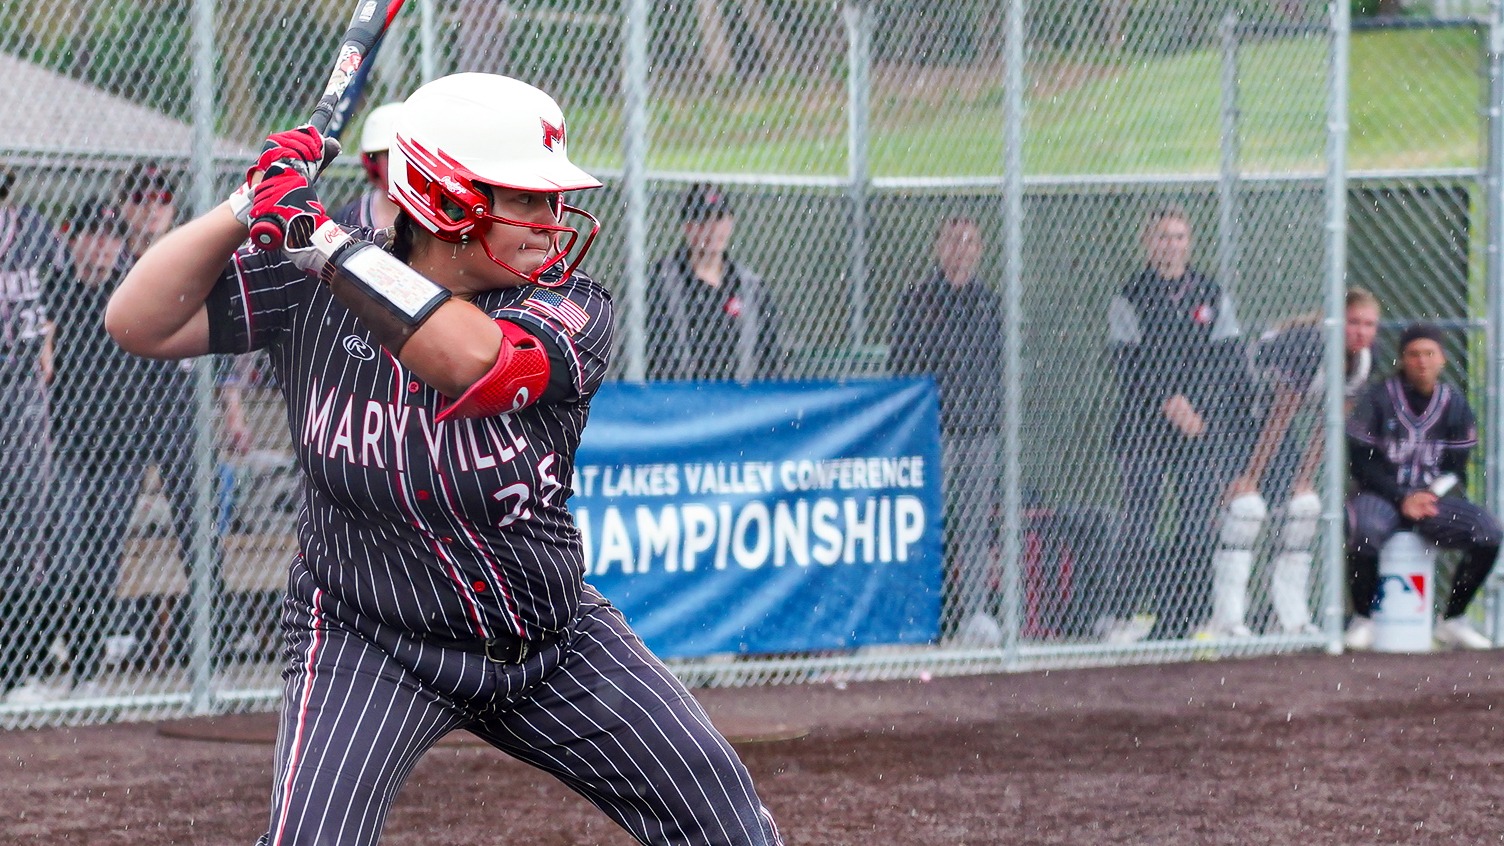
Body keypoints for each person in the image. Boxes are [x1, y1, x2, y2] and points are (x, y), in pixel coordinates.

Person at [105, 73, 783, 846]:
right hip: (369, 636)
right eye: (523, 198)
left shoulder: (571, 300)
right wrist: (249, 200)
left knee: (727, 818)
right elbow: (138, 323)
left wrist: (320, 241)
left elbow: (469, 361)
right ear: (445, 199)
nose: (550, 217)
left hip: (544, 639)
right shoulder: (317, 285)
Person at [5, 201, 153, 703]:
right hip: (63, 447)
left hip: (122, 450)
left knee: (102, 560)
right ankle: (34, 661)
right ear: (72, 239)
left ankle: (85, 671)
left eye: (111, 236)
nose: (102, 244)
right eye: (91, 234)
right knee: (59, 557)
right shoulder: (54, 292)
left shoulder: (130, 291)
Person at [117, 162, 252, 665]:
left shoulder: (189, 256)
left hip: (181, 411)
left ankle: (213, 639)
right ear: (123, 207)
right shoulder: (112, 259)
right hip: (117, 414)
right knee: (105, 533)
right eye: (139, 198)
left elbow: (228, 342)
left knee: (200, 533)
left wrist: (233, 410)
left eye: (160, 198)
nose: (151, 208)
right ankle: (96, 643)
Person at [1102, 202, 1251, 642]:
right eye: (1163, 237)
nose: (1171, 245)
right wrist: (1170, 401)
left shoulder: (1210, 292)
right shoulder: (1129, 294)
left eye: (1179, 236)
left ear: (1190, 242)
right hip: (1144, 430)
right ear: (1147, 242)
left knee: (1194, 521)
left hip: (1198, 431)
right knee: (1140, 520)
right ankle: (1125, 615)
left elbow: (1228, 360)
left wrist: (1199, 409)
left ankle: (1185, 616)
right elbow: (1127, 362)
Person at [1202, 288, 1380, 638]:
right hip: (1231, 417)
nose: (1361, 331)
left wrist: (1304, 479)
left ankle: (1288, 618)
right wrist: (1250, 477)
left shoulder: (1362, 360)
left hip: (1271, 428)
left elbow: (1329, 426)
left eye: (1369, 324)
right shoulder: (1309, 346)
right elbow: (1280, 415)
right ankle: (1228, 620)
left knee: (1303, 508)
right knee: (1247, 510)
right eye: (1353, 322)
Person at [1343, 322, 1498, 651]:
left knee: (1488, 532)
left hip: (1429, 500)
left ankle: (1452, 619)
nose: (1422, 361)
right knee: (1366, 529)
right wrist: (1402, 497)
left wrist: (1429, 496)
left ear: (1442, 359)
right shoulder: (1379, 397)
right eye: (1414, 354)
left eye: (1430, 354)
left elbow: (1456, 469)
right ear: (1402, 359)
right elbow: (1360, 462)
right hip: (1381, 493)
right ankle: (1364, 618)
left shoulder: (1454, 403)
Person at [888, 215, 1005, 645]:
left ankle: (972, 616)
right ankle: (919, 618)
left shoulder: (989, 304)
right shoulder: (918, 301)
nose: (962, 249)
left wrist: (991, 416)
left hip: (979, 431)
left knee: (973, 527)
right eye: (954, 241)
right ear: (939, 247)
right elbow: (901, 367)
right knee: (925, 524)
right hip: (934, 434)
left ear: (980, 250)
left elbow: (998, 368)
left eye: (971, 242)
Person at [0, 164, 64, 702]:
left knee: (26, 519)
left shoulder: (35, 230)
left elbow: (58, 300)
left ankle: (18, 668)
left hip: (22, 388)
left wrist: (47, 342)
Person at [645, 183, 783, 381]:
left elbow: (770, 357)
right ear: (687, 227)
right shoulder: (661, 282)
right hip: (679, 399)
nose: (712, 230)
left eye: (719, 219)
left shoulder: (750, 287)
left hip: (738, 402)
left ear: (730, 223)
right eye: (702, 220)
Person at [331, 102, 403, 230]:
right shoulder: (348, 220)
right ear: (372, 163)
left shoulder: (440, 217)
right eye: (390, 154)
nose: (401, 162)